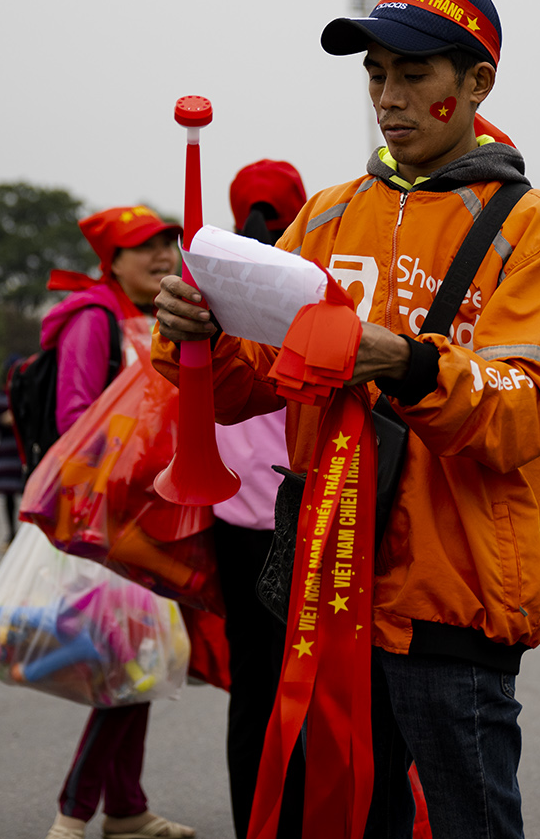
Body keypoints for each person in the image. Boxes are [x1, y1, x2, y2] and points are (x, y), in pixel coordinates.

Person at [155, 0, 540, 838]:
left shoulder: (536, 229)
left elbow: (525, 412)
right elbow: (243, 391)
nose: (387, 96)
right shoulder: (327, 215)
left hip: (453, 589)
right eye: (376, 72)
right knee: (345, 820)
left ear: (476, 85)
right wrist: (192, 334)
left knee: (471, 822)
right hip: (325, 582)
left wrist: (405, 363)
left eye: (413, 74)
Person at [43, 205, 195, 839]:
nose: (163, 256)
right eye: (145, 249)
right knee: (129, 664)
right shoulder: (94, 318)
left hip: (147, 514)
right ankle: (72, 813)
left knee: (142, 661)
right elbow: (75, 421)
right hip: (107, 521)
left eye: (168, 243)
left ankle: (126, 808)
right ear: (112, 262)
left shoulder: (149, 315)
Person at [211, 159, 309, 839]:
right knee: (308, 685)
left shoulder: (218, 281)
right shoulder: (307, 278)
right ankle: (307, 818)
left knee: (253, 688)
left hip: (229, 513)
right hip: (302, 509)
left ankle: (255, 825)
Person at [0, 355, 25, 551]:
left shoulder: (28, 393)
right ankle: (11, 533)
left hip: (23, 450)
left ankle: (27, 534)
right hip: (7, 451)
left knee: (27, 493)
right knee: (8, 496)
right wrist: (3, 420)